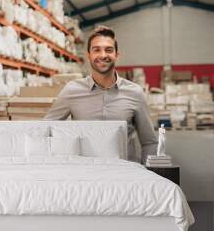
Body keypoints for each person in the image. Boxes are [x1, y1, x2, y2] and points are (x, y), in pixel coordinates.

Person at [44, 25, 157, 162]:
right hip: (86, 174)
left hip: (125, 175)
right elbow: (46, 129)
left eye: (108, 50)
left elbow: (149, 142)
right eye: (96, 50)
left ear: (116, 55)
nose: (103, 55)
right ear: (89, 56)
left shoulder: (134, 93)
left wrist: (148, 174)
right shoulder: (72, 91)